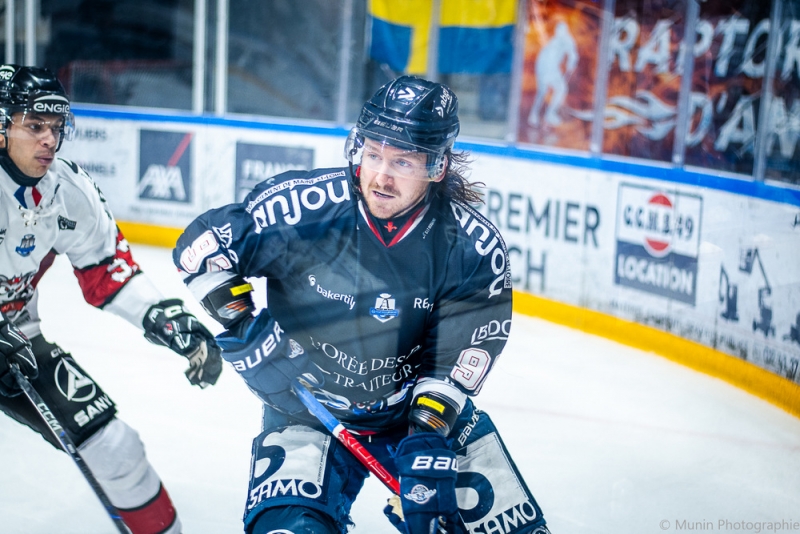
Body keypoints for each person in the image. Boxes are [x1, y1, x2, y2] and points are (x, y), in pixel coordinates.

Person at [174, 75, 551, 534]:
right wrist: (246, 325)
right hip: (306, 408)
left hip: (415, 410)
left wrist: (427, 435)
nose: (381, 176)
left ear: (437, 167)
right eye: (373, 154)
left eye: (403, 162)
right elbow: (202, 245)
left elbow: (458, 356)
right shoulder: (305, 208)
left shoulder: (469, 248)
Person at [0, 64, 223, 534]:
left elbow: (107, 269)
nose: (49, 140)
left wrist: (169, 320)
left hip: (17, 340)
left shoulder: (66, 189)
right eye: (34, 126)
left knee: (117, 448)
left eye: (56, 128)